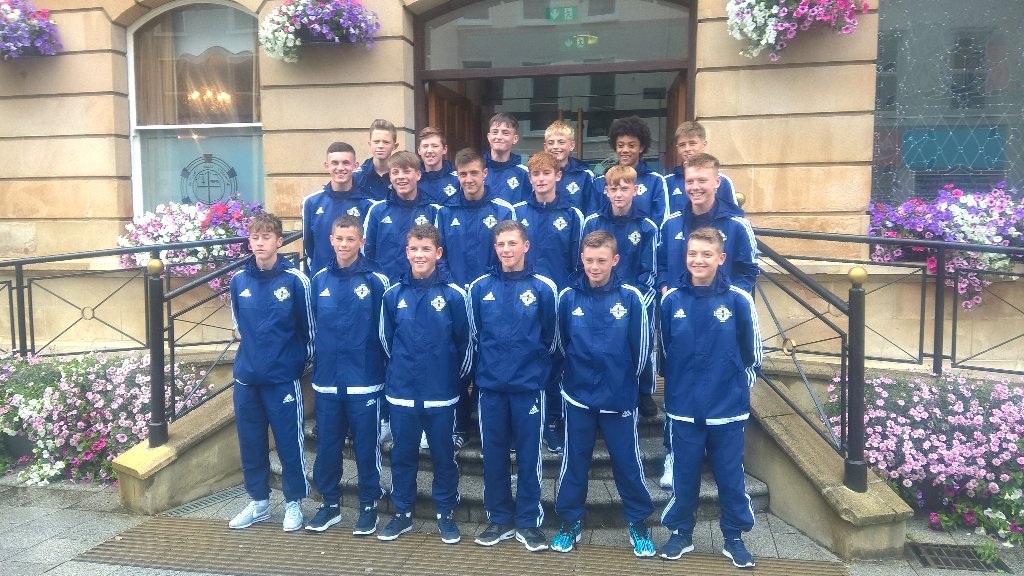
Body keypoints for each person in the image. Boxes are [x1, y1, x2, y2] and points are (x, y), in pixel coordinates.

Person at [659, 226, 762, 568]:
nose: (698, 260)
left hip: (727, 410)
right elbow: (664, 351)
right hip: (684, 409)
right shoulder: (671, 299)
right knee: (684, 476)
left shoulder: (738, 299)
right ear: (685, 256)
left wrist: (734, 388)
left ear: (721, 258)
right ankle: (681, 533)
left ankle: (733, 537)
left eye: (706, 254)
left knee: (731, 479)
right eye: (692, 253)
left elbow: (752, 354)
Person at [550, 230, 657, 558]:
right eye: (589, 260)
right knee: (574, 461)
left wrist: (627, 384)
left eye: (601, 260)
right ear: (581, 259)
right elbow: (561, 344)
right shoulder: (568, 297)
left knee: (627, 463)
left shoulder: (630, 297)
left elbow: (641, 352)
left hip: (619, 396)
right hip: (578, 395)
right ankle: (570, 521)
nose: (595, 267)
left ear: (615, 260)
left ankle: (638, 523)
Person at [657, 152, 758, 489]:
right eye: (690, 181)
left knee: (721, 386)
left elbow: (748, 270)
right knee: (678, 382)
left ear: (717, 182)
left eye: (702, 180)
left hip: (721, 319)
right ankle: (673, 455)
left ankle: (723, 461)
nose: (696, 187)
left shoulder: (736, 224)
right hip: (683, 313)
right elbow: (660, 265)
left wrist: (725, 297)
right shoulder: (671, 223)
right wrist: (666, 289)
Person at [377, 224, 472, 545]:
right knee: (403, 456)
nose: (420, 255)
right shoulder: (393, 295)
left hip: (441, 394)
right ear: (407, 252)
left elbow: (465, 344)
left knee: (444, 456)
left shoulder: (454, 295)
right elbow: (386, 341)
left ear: (438, 253)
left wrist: (447, 377)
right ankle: (402, 513)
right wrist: (405, 370)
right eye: (414, 249)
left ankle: (445, 512)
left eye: (426, 249)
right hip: (402, 393)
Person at [468, 220, 558, 552]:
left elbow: (550, 339)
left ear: (525, 246)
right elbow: (475, 336)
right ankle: (500, 519)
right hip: (491, 387)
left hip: (528, 388)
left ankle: (528, 522)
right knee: (493, 456)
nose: (506, 250)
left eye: (512, 243)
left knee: (530, 455)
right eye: (501, 245)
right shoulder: (479, 288)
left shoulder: (544, 288)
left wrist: (530, 367)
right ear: (495, 249)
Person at [228, 213, 313, 532]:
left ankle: (293, 503)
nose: (260, 243)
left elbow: (309, 332)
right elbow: (238, 326)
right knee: (250, 443)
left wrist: (294, 365)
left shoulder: (296, 280)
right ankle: (259, 502)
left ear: (279, 241)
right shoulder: (238, 281)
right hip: (247, 379)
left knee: (289, 442)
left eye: (266, 237)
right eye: (255, 238)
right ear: (249, 243)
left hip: (282, 380)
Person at [306, 215, 388, 535]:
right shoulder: (319, 280)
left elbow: (386, 332)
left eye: (350, 239)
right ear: (331, 240)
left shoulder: (376, 281)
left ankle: (369, 505)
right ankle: (330, 505)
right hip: (327, 381)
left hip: (364, 380)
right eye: (339, 239)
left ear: (361, 242)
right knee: (327, 446)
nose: (344, 244)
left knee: (367, 447)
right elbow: (311, 328)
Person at [436, 148, 516, 446]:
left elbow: (508, 252)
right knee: (456, 358)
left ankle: (489, 425)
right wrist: (450, 289)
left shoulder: (502, 210)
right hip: (454, 299)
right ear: (457, 176)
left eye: (473, 173)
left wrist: (491, 287)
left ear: (485, 173)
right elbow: (439, 253)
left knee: (489, 358)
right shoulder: (445, 212)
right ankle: (458, 425)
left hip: (492, 298)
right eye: (463, 174)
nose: (468, 179)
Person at [512, 151, 584, 454]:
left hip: (558, 303)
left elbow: (578, 263)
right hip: (522, 299)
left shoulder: (572, 215)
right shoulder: (517, 212)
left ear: (558, 176)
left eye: (546, 174)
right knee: (523, 357)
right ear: (530, 179)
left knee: (555, 362)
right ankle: (521, 425)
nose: (541, 179)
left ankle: (552, 422)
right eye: (535, 174)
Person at [582, 165, 659, 420]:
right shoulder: (593, 222)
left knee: (640, 340)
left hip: (633, 295)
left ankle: (643, 390)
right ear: (605, 191)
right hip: (598, 293)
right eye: (613, 188)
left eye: (624, 188)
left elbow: (650, 271)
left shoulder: (646, 226)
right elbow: (584, 262)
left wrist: (634, 298)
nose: (618, 194)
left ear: (635, 190)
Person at [364, 151, 441, 283]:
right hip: (386, 289)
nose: (400, 177)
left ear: (418, 175)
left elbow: (440, 253)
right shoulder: (377, 211)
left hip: (424, 288)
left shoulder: (434, 211)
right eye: (395, 172)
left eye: (406, 171)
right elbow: (367, 252)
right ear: (390, 177)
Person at [302, 141, 377, 275]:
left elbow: (370, 248)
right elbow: (309, 247)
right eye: (335, 163)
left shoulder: (369, 205)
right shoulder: (311, 203)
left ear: (355, 166)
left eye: (346, 163)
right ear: (327, 165)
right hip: (322, 281)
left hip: (359, 280)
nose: (340, 168)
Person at [590, 115, 669, 224]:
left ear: (641, 147)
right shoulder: (600, 182)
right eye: (620, 145)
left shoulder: (655, 181)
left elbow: (661, 223)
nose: (625, 150)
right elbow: (592, 220)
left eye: (631, 145)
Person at [664, 121, 738, 214]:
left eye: (692, 143)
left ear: (704, 145)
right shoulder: (667, 182)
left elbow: (732, 215)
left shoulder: (722, 181)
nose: (687, 149)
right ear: (677, 148)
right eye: (682, 145)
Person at [543, 120, 593, 212]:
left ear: (572, 145)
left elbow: (591, 209)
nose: (555, 146)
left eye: (561, 142)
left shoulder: (585, 175)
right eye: (551, 143)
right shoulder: (538, 175)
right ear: (545, 147)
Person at [484, 112, 532, 205]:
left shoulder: (524, 172)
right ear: (489, 137)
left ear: (515, 139)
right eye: (495, 132)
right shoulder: (477, 168)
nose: (499, 137)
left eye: (505, 133)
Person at [354, 119, 399, 201]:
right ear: (370, 144)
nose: (380, 146)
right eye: (376, 141)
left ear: (395, 146)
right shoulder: (357, 177)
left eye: (386, 142)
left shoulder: (402, 177)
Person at [416, 126, 461, 206]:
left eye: (435, 146)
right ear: (419, 150)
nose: (429, 151)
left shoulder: (458, 179)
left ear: (444, 149)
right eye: (425, 146)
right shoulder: (413, 180)